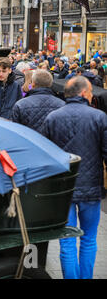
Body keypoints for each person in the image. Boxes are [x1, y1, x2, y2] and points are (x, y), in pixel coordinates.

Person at [42, 76, 107, 279]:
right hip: (91, 188)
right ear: (83, 93)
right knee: (89, 239)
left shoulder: (53, 117)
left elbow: (47, 154)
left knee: (66, 241)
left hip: (64, 189)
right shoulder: (99, 117)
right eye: (89, 92)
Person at [12, 70, 65, 134]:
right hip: (51, 143)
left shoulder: (20, 105)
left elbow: (15, 131)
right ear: (50, 84)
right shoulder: (62, 105)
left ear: (33, 84)